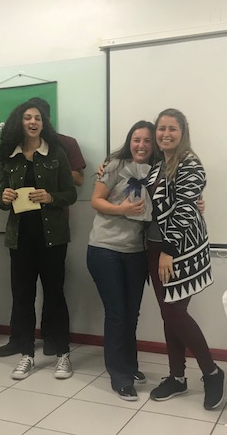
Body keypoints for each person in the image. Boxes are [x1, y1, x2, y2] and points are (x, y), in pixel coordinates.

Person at [146, 108, 225, 410]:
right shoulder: (158, 164)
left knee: (174, 313)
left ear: (183, 132)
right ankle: (177, 377)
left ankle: (212, 372)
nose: (165, 134)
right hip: (156, 247)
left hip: (179, 250)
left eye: (172, 129)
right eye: (161, 128)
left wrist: (168, 250)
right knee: (170, 314)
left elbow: (185, 208)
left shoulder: (190, 163)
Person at [0, 96, 86, 357]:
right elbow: (1, 198)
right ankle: (23, 346)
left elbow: (71, 193)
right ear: (19, 123)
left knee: (54, 293)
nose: (33, 122)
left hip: (52, 236)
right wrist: (4, 197)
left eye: (37, 118)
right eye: (27, 118)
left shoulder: (56, 153)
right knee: (22, 294)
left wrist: (50, 197)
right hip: (20, 236)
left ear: (43, 123)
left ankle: (57, 344)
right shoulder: (8, 156)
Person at [87, 121, 156, 401]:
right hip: (105, 249)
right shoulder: (115, 165)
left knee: (131, 313)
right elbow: (96, 200)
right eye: (136, 139)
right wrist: (122, 209)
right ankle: (120, 376)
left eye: (147, 140)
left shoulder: (157, 170)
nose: (141, 145)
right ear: (129, 141)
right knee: (117, 314)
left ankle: (130, 365)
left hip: (136, 251)